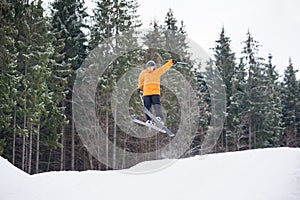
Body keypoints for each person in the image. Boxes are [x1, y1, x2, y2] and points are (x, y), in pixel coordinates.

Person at [137, 59, 177, 125]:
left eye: (152, 67)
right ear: (147, 67)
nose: (150, 68)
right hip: (146, 92)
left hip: (155, 92)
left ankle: (159, 118)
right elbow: (140, 80)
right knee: (147, 106)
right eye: (149, 67)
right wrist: (139, 88)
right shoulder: (144, 73)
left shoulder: (157, 71)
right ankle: (149, 120)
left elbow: (165, 67)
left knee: (156, 105)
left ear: (154, 67)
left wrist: (171, 62)